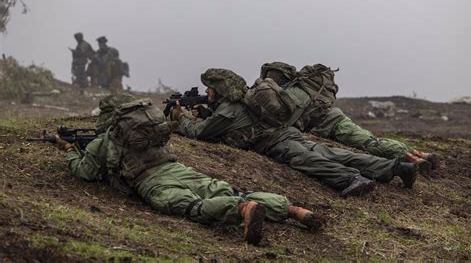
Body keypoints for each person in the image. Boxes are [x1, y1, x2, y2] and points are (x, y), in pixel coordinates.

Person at [52, 94, 323, 245]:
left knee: (193, 206)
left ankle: (242, 210)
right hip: (177, 168)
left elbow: (86, 173)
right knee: (228, 188)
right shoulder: (147, 126)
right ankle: (292, 210)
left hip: (152, 181)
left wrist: (68, 151)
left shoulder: (108, 138)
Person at [171, 69, 418, 198]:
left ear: (220, 89)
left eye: (210, 87)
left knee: (307, 160)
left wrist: (180, 119)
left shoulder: (228, 110)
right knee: (331, 152)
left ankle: (351, 179)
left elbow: (200, 134)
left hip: (275, 142)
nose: (207, 91)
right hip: (286, 132)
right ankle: (394, 168)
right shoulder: (242, 100)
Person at [258, 62, 439, 175]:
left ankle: (414, 159)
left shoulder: (291, 94)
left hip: (333, 125)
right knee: (370, 139)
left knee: (369, 143)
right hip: (335, 118)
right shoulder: (301, 87)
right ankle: (421, 154)